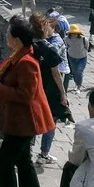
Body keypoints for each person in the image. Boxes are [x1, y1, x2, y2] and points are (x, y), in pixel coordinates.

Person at [0, 15, 54, 187]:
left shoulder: (26, 62)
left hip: (24, 122)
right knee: (23, 161)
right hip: (21, 121)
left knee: (5, 161)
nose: (6, 36)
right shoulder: (19, 56)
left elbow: (26, 94)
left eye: (8, 34)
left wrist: (0, 89)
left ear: (17, 40)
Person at [30, 13, 71, 163]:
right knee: (50, 121)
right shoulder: (49, 49)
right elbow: (55, 73)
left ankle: (27, 151)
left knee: (32, 119)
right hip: (48, 90)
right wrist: (63, 93)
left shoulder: (26, 46)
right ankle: (44, 154)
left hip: (31, 89)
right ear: (43, 27)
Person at [64, 24, 90, 92]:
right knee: (74, 72)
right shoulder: (66, 39)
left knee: (79, 72)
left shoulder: (83, 39)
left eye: (75, 33)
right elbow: (67, 46)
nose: (73, 35)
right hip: (72, 57)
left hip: (82, 57)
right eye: (72, 33)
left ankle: (79, 86)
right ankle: (76, 84)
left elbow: (87, 46)